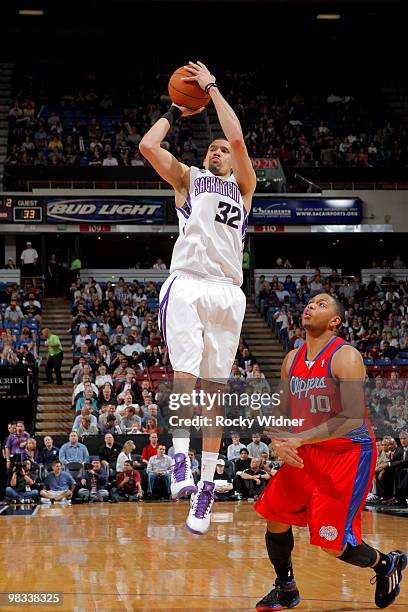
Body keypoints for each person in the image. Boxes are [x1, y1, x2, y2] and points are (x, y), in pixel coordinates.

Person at [139, 60, 256, 534]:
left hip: (228, 292)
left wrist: (212, 87)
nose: (217, 149)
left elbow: (240, 138)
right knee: (184, 376)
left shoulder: (244, 189)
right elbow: (148, 146)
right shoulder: (187, 178)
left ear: (231, 161)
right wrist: (173, 108)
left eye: (222, 149)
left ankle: (206, 488)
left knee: (215, 394)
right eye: (212, 146)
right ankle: (181, 458)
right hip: (187, 281)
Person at [253, 293, 407, 611]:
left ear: (335, 321)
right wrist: (279, 443)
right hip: (307, 450)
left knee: (331, 543)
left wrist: (299, 439)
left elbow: (350, 418)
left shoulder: (345, 356)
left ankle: (385, 564)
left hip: (347, 454)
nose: (310, 305)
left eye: (321, 304)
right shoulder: (291, 359)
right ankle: (286, 588)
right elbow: (283, 414)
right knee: (274, 517)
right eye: (308, 302)